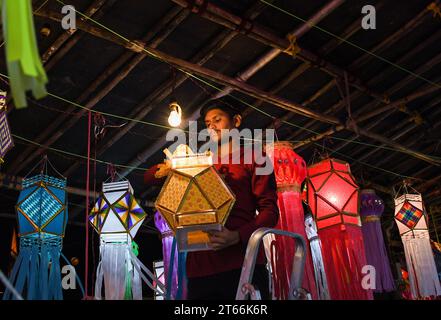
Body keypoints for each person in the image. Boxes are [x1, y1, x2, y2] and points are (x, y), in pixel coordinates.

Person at [183, 99, 279, 299]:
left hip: (243, 263)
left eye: (217, 120)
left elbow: (270, 212)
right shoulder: (200, 163)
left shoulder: (255, 157)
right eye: (208, 124)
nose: (211, 127)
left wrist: (237, 236)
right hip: (199, 268)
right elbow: (151, 178)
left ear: (236, 121)